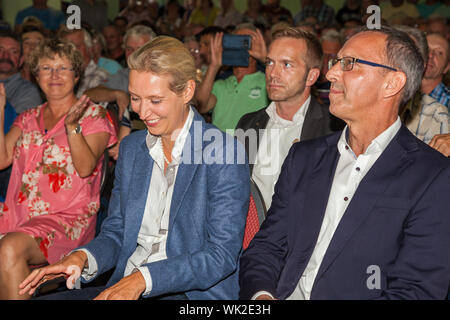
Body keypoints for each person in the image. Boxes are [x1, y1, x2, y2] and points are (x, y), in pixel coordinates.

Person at [19, 36, 250, 300]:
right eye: (135, 98)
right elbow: (117, 233)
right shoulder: (132, 149)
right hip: (127, 284)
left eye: (155, 100)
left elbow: (220, 256)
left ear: (187, 91)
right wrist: (82, 257)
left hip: (188, 294)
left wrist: (143, 279)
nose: (142, 112)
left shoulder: (221, 151)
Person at [239, 26, 450, 300]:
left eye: (349, 64)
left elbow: (415, 290)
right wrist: (262, 297)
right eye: (336, 62)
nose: (331, 73)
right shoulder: (304, 158)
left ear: (392, 83)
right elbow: (266, 248)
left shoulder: (431, 176)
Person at [0, 38, 117, 300]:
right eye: (45, 68)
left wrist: (72, 126)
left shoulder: (94, 115)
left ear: (76, 74)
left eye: (62, 68)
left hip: (66, 220)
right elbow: (2, 158)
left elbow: (86, 168)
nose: (54, 75)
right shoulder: (27, 117)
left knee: (9, 247)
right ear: (35, 73)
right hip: (18, 214)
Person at [236, 27, 344, 210]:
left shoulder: (334, 129)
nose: (273, 74)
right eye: (270, 63)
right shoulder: (248, 123)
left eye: (286, 64)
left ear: (311, 76)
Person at [196, 23, 268, 133]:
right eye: (236, 42)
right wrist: (214, 66)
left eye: (247, 42)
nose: (242, 47)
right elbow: (201, 106)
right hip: (220, 147)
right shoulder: (220, 84)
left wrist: (265, 59)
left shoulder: (267, 82)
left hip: (252, 146)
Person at [421, 33, 449, 109]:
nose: (430, 55)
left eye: (440, 53)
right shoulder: (400, 94)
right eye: (426, 49)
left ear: (447, 67)